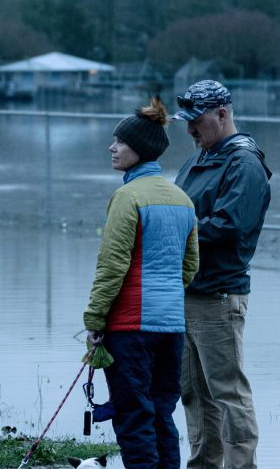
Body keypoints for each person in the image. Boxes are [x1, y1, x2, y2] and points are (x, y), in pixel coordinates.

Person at [83, 97, 199, 469]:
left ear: (141, 149)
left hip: (130, 328)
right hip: (171, 329)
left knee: (134, 418)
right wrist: (165, 298)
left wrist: (94, 319)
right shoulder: (182, 199)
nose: (112, 147)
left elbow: (112, 265)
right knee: (162, 416)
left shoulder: (127, 196)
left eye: (120, 142)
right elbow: (190, 266)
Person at [171, 80, 272, 469]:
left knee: (228, 392)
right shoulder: (199, 158)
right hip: (188, 291)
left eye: (197, 121)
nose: (191, 129)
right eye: (187, 122)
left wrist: (176, 233)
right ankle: (203, 464)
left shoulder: (244, 163)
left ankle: (241, 466)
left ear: (222, 115)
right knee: (194, 391)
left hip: (218, 295)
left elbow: (230, 224)